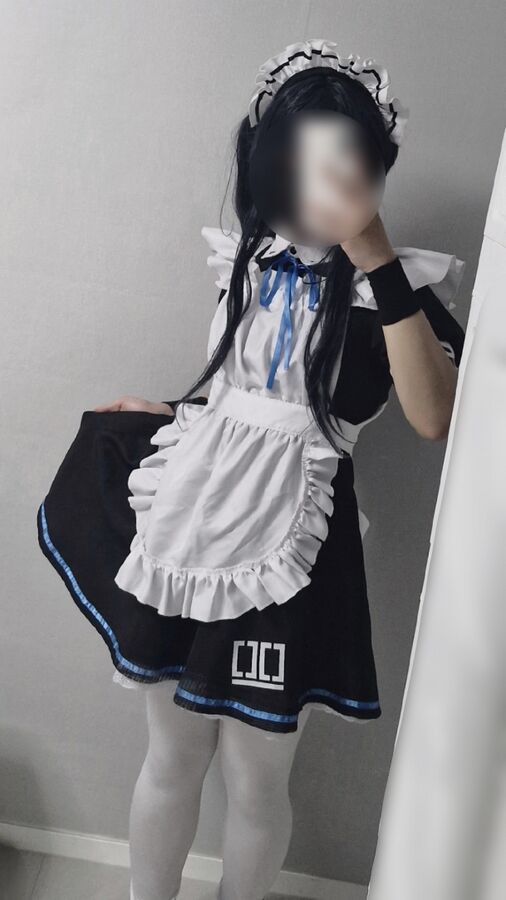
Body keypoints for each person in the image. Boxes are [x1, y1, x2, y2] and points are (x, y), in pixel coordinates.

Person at [38, 39, 467, 900]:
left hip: (293, 547)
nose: (313, 188)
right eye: (293, 164)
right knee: (171, 755)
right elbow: (242, 395)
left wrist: (375, 255)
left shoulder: (394, 294)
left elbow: (434, 418)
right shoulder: (246, 259)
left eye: (338, 163)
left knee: (256, 776)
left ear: (370, 166)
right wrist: (171, 412)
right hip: (196, 513)